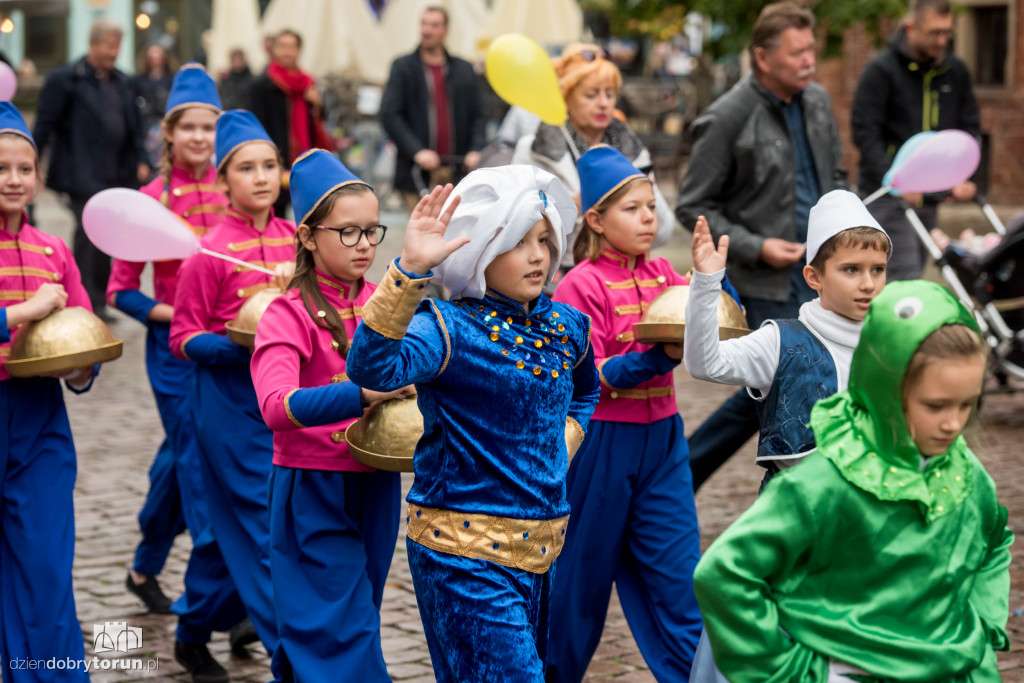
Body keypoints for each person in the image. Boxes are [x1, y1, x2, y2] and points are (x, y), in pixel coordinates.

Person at [346, 167, 601, 682]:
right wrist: (409, 269)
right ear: (482, 249)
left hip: (543, 550)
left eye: (544, 240)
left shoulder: (568, 325)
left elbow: (587, 391)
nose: (537, 256)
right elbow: (370, 368)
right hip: (461, 557)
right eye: (518, 243)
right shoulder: (446, 328)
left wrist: (562, 444)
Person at [692, 280, 1012, 681]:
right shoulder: (827, 482)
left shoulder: (966, 474)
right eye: (935, 406)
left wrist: (982, 625)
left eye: (967, 405)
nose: (953, 423)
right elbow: (726, 572)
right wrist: (789, 671)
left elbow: (994, 542)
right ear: (887, 388)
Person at [251, 149, 411, 680]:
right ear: (306, 235)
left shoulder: (384, 307)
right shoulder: (285, 313)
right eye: (348, 232)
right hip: (312, 487)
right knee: (341, 628)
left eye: (372, 231)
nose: (365, 244)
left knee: (350, 611)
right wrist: (361, 395)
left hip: (378, 482)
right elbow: (276, 407)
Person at [674, 2, 848, 491]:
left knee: (776, 387)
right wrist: (758, 246)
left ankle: (679, 480)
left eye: (811, 49)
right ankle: (680, 481)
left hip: (822, 270)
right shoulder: (726, 116)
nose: (809, 60)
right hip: (767, 277)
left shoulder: (817, 102)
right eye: (797, 52)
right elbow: (694, 206)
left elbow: (833, 176)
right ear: (763, 58)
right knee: (775, 384)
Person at [546, 145, 705, 682]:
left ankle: (693, 676)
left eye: (652, 207)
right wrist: (652, 361)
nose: (647, 218)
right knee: (577, 588)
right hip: (599, 447)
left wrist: (711, 282)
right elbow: (587, 375)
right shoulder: (579, 285)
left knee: (681, 578)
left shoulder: (665, 272)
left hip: (663, 440)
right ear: (595, 219)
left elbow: (708, 319)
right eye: (632, 209)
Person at [168, 110, 293, 683]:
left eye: (269, 165)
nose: (261, 177)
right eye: (247, 168)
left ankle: (192, 629)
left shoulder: (298, 241)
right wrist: (242, 344)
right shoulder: (207, 253)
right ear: (223, 182)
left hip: (290, 402)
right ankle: (297, 657)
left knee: (233, 535)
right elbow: (182, 337)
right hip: (228, 405)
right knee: (266, 526)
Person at [107, 63, 227, 615]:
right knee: (198, 457)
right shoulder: (149, 199)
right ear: (169, 134)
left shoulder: (238, 191)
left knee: (181, 455)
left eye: (209, 128)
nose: (200, 138)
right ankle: (226, 589)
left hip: (231, 352)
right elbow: (121, 291)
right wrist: (175, 312)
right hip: (176, 352)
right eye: (189, 128)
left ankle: (145, 563)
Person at [0, 102, 96, 682]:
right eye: (0, 168)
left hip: (40, 424)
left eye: (24, 168)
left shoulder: (53, 251)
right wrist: (19, 313)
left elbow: (85, 329)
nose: (14, 179)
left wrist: (81, 371)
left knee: (45, 567)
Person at [852, 0, 980, 283]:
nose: (941, 40)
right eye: (934, 32)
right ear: (911, 28)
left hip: (929, 199)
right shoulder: (881, 71)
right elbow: (864, 132)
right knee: (903, 281)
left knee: (919, 273)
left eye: (947, 33)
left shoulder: (955, 72)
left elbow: (968, 129)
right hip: (888, 196)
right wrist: (894, 178)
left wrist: (961, 176)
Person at [512, 43, 676, 264]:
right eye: (591, 95)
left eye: (609, 94)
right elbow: (515, 226)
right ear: (566, 97)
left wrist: (645, 204)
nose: (603, 103)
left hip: (621, 275)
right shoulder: (531, 150)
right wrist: (569, 208)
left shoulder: (633, 151)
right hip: (555, 276)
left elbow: (663, 229)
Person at [33, 19, 149, 320]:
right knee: (88, 235)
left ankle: (99, 297)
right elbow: (45, 124)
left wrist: (141, 161)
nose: (114, 52)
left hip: (116, 174)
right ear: (93, 44)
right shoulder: (66, 80)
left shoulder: (123, 81)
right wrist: (32, 165)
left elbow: (135, 128)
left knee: (108, 236)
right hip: (80, 172)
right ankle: (83, 299)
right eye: (109, 45)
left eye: (117, 46)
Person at [379, 6, 486, 211]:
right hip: (417, 172)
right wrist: (417, 151)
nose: (427, 30)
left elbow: (478, 115)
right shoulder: (403, 67)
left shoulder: (463, 69)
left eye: (434, 25)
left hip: (458, 171)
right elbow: (390, 114)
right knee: (422, 234)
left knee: (455, 233)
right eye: (424, 24)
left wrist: (476, 149)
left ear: (446, 30)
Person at [248, 28, 333, 217]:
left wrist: (317, 104)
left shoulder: (308, 83)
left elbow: (320, 121)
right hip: (276, 160)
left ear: (299, 50)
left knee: (310, 214)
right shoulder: (261, 85)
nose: (287, 52)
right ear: (273, 50)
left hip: (305, 159)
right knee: (276, 214)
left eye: (292, 47)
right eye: (282, 47)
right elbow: (256, 125)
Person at [133, 44, 177, 169]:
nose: (155, 58)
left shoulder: (171, 79)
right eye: (152, 55)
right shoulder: (140, 80)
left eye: (158, 54)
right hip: (147, 126)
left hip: (166, 123)